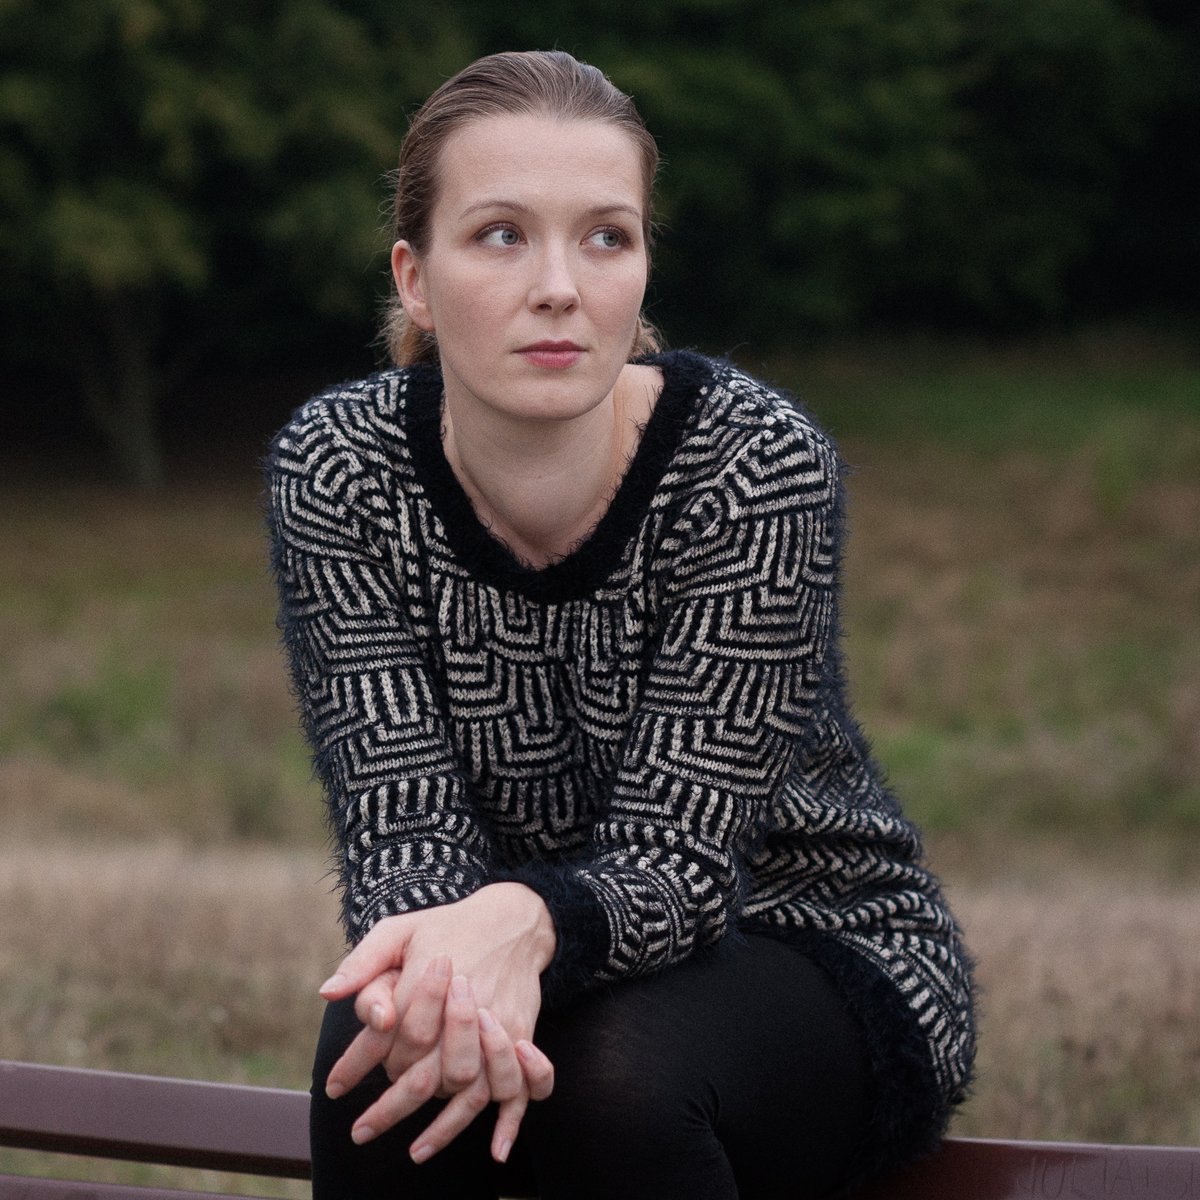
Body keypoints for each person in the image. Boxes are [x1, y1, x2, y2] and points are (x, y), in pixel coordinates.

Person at [267, 49, 976, 1200]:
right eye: (501, 234)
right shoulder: (338, 470)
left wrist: (520, 920)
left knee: (613, 1076)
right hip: (519, 955)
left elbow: (682, 864)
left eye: (607, 237)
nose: (561, 286)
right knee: (376, 1053)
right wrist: (459, 965)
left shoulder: (753, 463)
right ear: (414, 275)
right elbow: (400, 832)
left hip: (802, 935)